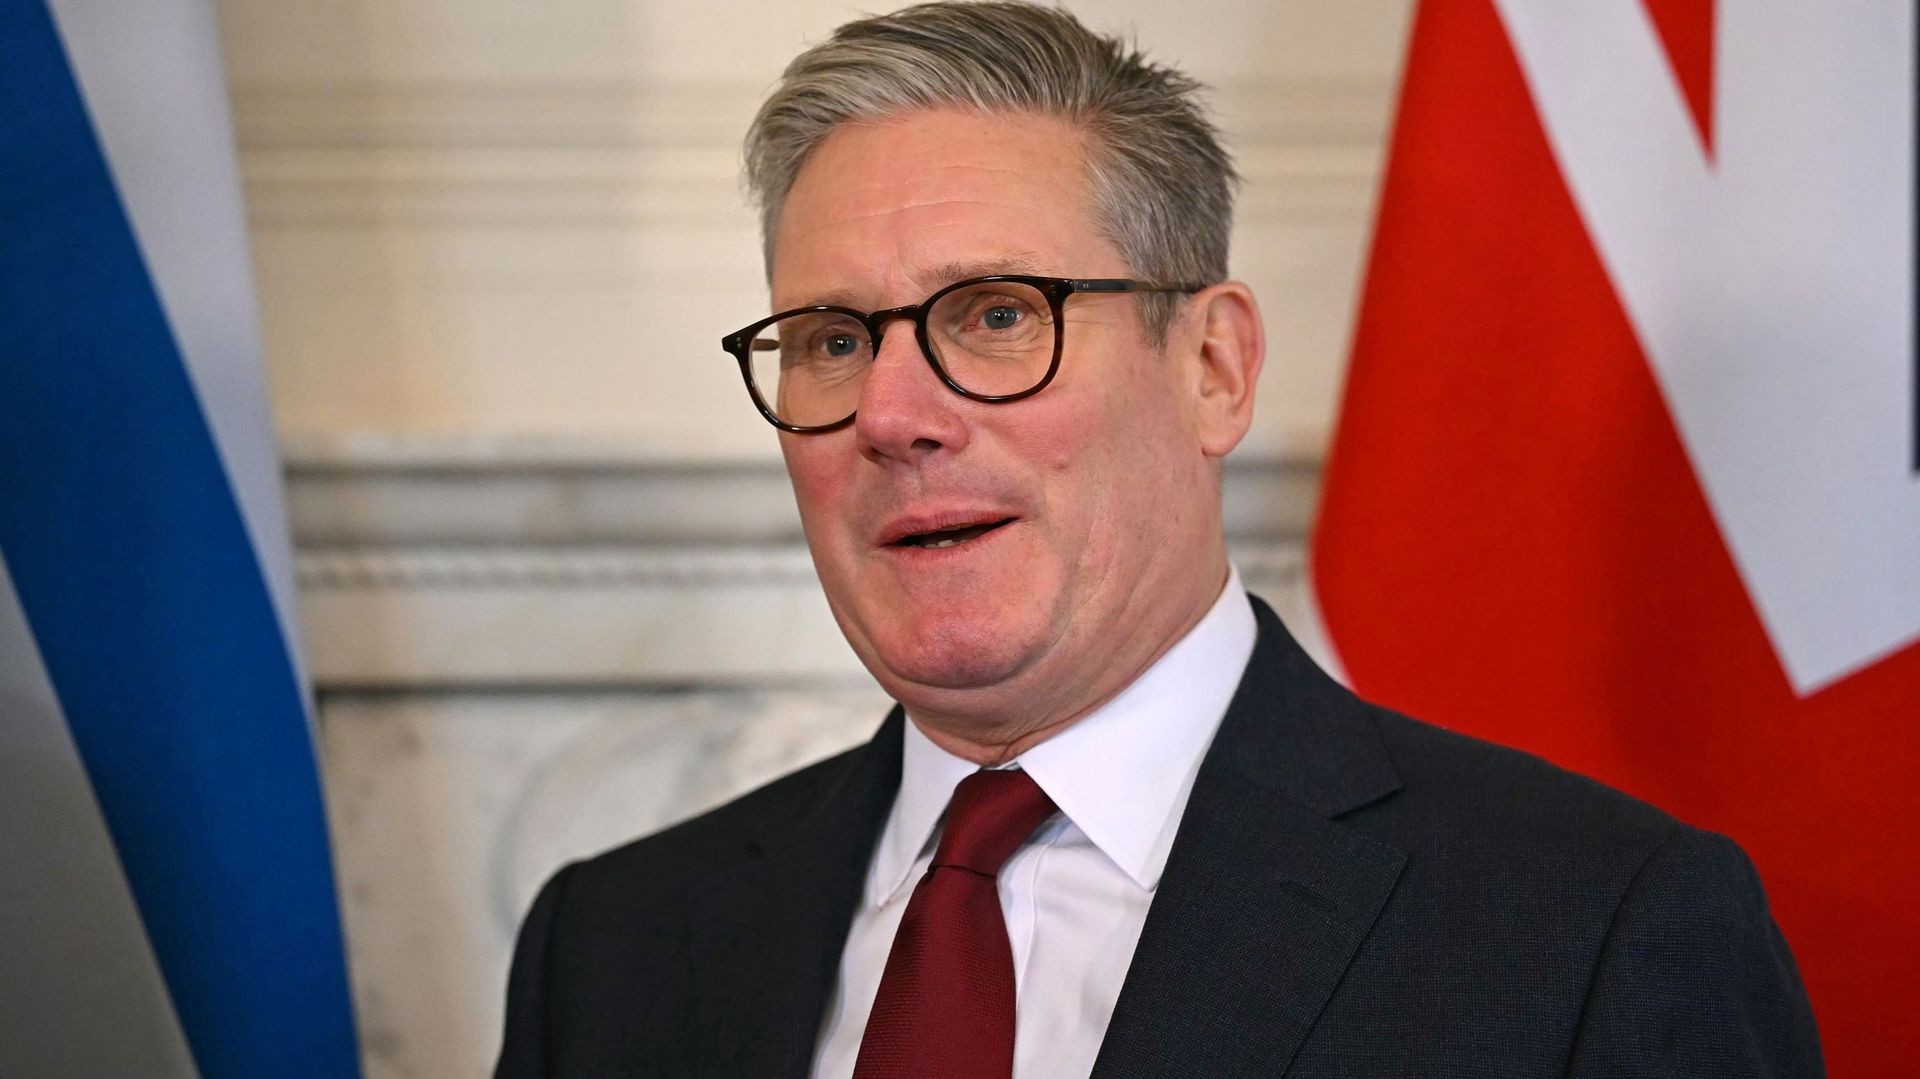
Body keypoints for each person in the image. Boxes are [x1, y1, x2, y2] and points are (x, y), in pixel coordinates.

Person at [494, 3, 1822, 1076]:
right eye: (833, 340)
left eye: (997, 315)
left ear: (1212, 370)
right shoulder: (612, 947)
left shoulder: (1592, 929)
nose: (893, 417)